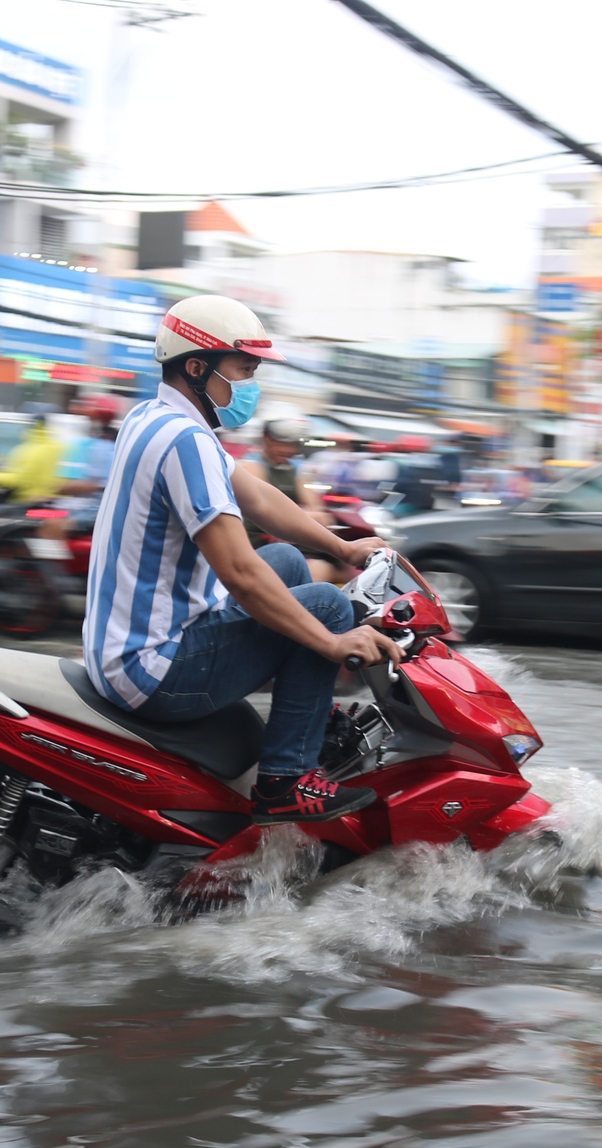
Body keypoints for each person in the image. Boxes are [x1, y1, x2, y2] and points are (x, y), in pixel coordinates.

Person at [82, 295, 395, 825]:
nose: (252, 385)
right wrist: (333, 643)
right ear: (198, 367)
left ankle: (310, 715)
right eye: (244, 370)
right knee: (326, 608)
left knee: (290, 561)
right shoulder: (186, 441)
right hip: (154, 666)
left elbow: (260, 499)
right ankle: (285, 781)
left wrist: (341, 548)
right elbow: (241, 574)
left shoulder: (153, 416)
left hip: (123, 644)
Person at [236, 417, 346, 582]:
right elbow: (266, 507)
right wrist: (308, 515)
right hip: (259, 541)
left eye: (291, 445)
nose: (287, 449)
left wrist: (315, 515)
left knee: (333, 569)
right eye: (281, 443)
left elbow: (318, 511)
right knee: (315, 571)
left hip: (291, 538)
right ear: (266, 439)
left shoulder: (297, 469)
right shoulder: (252, 466)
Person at [0, 403, 67, 504]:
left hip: (27, 502)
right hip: (56, 502)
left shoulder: (29, 449)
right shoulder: (62, 447)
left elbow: (19, 480)